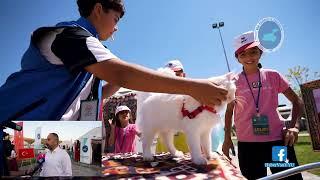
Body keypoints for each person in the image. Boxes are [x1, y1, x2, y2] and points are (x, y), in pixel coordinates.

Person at [0, 0, 227, 121]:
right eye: (115, 18)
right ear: (98, 9)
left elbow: (99, 94)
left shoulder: (92, 51)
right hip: (17, 130)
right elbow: (123, 73)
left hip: (56, 138)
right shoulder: (70, 35)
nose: (116, 28)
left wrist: (122, 79)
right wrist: (193, 87)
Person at [222, 31, 303, 180]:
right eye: (243, 54)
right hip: (248, 146)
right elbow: (229, 112)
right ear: (237, 58)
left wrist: (295, 126)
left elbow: (297, 101)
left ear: (260, 53)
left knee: (288, 178)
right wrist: (227, 138)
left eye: (253, 52)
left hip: (277, 143)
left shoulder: (273, 76)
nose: (249, 57)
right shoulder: (232, 82)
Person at [156, 60, 189, 153]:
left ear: (184, 75)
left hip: (186, 147)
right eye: (170, 76)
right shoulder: (158, 96)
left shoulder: (191, 95)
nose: (174, 79)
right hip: (163, 148)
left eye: (177, 74)